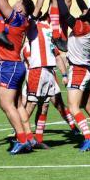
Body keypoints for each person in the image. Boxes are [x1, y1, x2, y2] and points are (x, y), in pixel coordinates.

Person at [0, 0, 48, 155]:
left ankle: (22, 139)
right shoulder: (26, 20)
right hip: (17, 66)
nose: (14, 3)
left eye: (17, 3)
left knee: (6, 105)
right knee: (17, 105)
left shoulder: (17, 18)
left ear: (21, 9)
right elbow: (37, 7)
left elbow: (1, 2)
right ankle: (29, 136)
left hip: (8, 65)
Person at [51, 0, 90, 152]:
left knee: (73, 107)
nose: (85, 11)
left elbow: (65, 15)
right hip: (88, 71)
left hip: (78, 70)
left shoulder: (82, 27)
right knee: (88, 106)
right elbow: (84, 9)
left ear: (87, 17)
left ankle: (89, 138)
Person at [20, 10, 71, 149]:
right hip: (36, 71)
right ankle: (21, 137)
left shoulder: (50, 30)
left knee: (45, 106)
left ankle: (38, 139)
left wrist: (64, 75)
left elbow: (57, 55)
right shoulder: (35, 26)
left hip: (48, 71)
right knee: (30, 105)